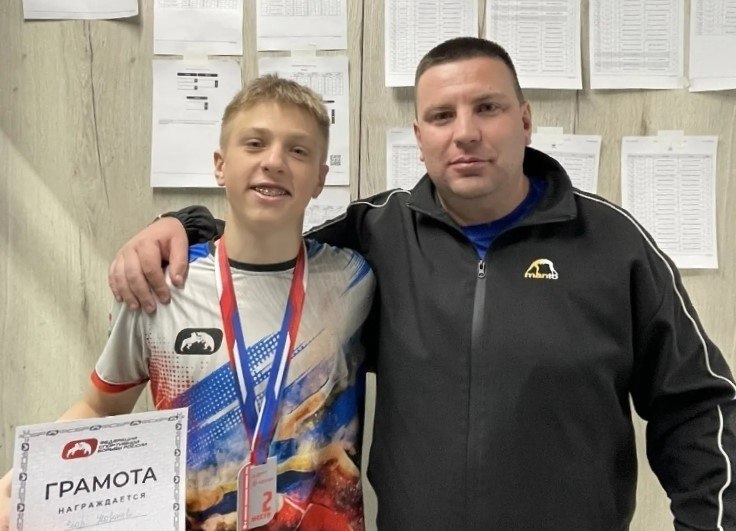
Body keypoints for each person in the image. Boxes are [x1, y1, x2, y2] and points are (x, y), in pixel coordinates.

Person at [106, 37, 735, 530]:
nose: (465, 132)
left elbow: (697, 406)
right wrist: (181, 224)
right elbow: (270, 242)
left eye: (487, 108)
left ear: (524, 120)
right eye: (441, 115)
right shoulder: (377, 236)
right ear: (419, 136)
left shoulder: (612, 244)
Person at [0, 75, 375, 531]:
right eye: (254, 143)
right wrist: (27, 481)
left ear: (320, 178)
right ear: (220, 165)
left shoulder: (354, 279)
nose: (274, 161)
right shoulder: (160, 286)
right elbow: (100, 408)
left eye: (298, 151)